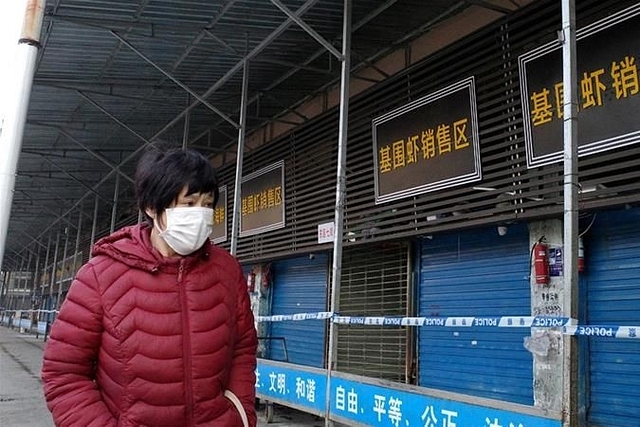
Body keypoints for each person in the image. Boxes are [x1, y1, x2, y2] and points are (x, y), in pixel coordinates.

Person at [41, 147, 258, 427]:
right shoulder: (101, 275)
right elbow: (64, 374)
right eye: (189, 204)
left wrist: (240, 416)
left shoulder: (227, 271)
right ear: (152, 208)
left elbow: (243, 348)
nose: (201, 214)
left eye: (207, 204)